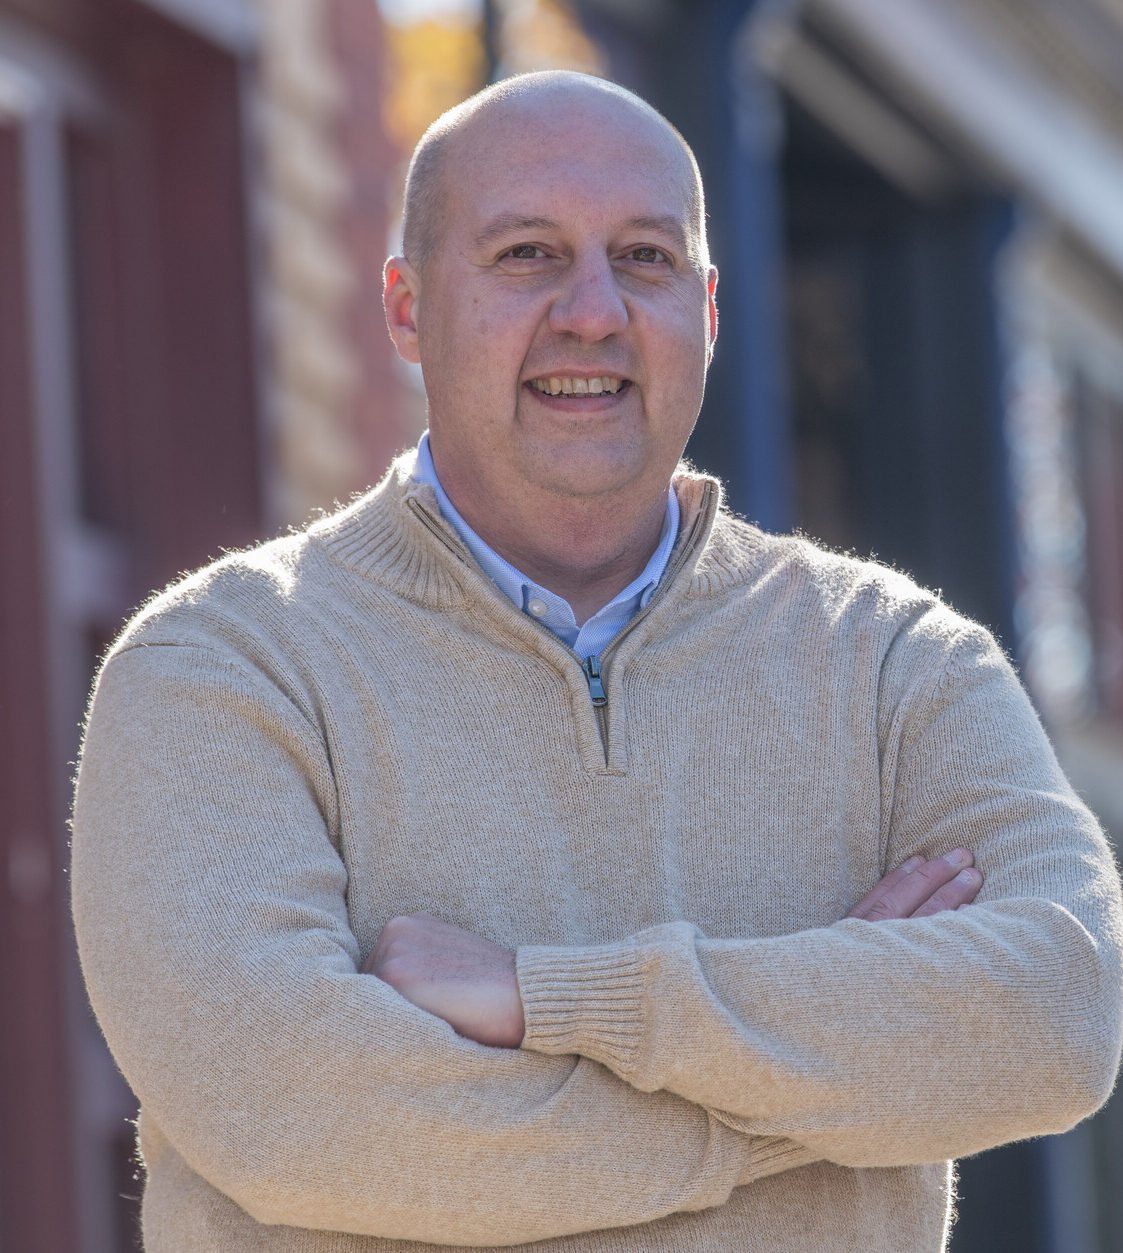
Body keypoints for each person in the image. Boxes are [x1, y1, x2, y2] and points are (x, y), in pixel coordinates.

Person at [71, 71, 1122, 1253]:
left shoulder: (893, 662)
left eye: (645, 258)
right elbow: (295, 1114)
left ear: (708, 311)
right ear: (406, 310)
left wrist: (549, 999)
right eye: (526, 254)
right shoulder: (222, 667)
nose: (592, 311)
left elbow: (1061, 1005)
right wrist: (820, 1096)